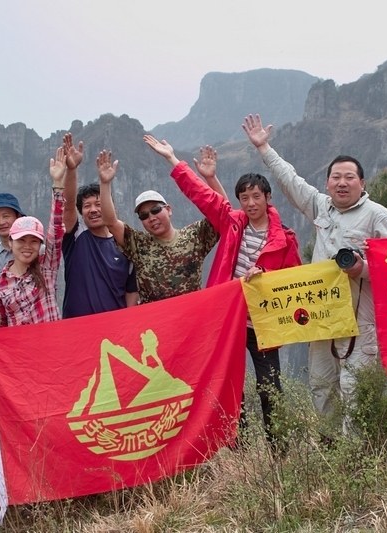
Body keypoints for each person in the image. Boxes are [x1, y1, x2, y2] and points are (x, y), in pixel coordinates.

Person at [242, 114, 387, 434]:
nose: (342, 183)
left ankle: (357, 451)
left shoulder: (378, 216)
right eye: (336, 177)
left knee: (355, 389)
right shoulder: (320, 206)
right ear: (327, 183)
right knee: (321, 385)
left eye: (349, 177)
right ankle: (331, 446)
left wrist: (361, 269)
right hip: (321, 318)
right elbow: (290, 181)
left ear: (362, 183)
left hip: (359, 322)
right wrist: (264, 149)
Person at [144, 135, 302, 444]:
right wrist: (172, 159)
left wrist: (266, 276)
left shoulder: (285, 239)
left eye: (256, 196)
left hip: (263, 326)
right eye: (244, 197)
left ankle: (279, 447)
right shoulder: (233, 224)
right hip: (229, 322)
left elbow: (293, 282)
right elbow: (202, 195)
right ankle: (238, 447)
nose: (250, 203)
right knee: (229, 386)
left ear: (268, 198)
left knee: (270, 386)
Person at [97, 138, 222, 303]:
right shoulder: (138, 244)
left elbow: (221, 213)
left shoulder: (195, 236)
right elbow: (110, 222)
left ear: (168, 209)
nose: (151, 217)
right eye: (144, 215)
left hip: (190, 315)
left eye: (156, 210)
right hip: (155, 318)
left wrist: (210, 178)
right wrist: (105, 184)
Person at [59, 133, 139, 317]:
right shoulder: (76, 238)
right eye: (87, 206)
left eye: (99, 204)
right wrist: (71, 169)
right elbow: (68, 206)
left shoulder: (125, 244)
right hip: (77, 328)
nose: (93, 210)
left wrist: (129, 323)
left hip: (114, 330)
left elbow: (131, 291)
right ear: (81, 212)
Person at [0, 147, 66, 327]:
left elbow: (56, 229)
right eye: (21, 240)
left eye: (34, 241)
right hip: (20, 345)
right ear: (11, 242)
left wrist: (58, 184)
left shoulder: (46, 268)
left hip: (52, 342)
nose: (27, 246)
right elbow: (0, 322)